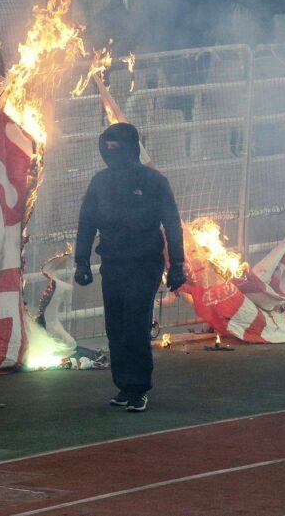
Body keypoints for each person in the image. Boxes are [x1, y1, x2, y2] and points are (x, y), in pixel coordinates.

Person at [73, 122, 187, 412]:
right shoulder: (100, 182)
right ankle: (124, 384)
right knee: (116, 327)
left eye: (117, 148)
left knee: (135, 324)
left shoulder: (154, 181)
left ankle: (138, 388)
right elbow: (87, 223)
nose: (112, 154)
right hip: (113, 263)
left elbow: (172, 224)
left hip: (144, 262)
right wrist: (81, 260)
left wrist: (178, 264)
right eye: (108, 148)